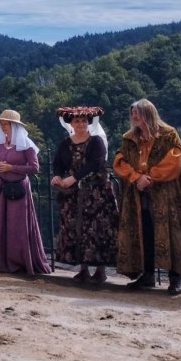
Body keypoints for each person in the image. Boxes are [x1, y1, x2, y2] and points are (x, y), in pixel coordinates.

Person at [113, 98, 181, 295]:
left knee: (171, 234)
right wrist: (137, 177)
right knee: (144, 232)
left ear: (148, 113)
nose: (134, 117)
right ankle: (147, 275)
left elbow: (175, 161)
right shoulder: (129, 138)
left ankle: (175, 278)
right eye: (133, 114)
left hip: (166, 195)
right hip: (138, 195)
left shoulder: (168, 135)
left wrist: (151, 177)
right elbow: (120, 161)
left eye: (137, 113)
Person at [51, 106, 118, 285]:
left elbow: (96, 164)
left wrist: (74, 177)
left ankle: (100, 270)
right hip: (73, 194)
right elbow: (57, 163)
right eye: (76, 121)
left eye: (83, 120)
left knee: (97, 228)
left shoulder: (96, 141)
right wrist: (57, 175)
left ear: (88, 122)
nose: (80, 124)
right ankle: (83, 269)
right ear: (71, 123)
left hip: (96, 192)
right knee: (76, 228)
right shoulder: (65, 143)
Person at [0, 110, 51, 275]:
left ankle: (19, 261)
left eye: (6, 124)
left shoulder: (26, 144)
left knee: (17, 225)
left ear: (14, 126)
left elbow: (35, 167)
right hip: (1, 186)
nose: (3, 127)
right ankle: (1, 260)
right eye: (1, 124)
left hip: (18, 188)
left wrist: (12, 168)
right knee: (0, 222)